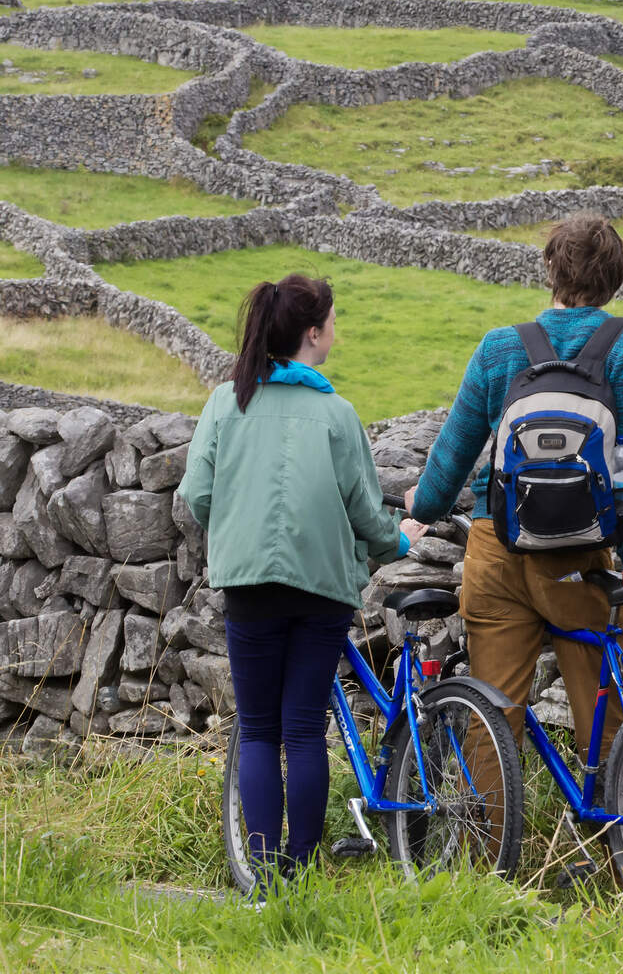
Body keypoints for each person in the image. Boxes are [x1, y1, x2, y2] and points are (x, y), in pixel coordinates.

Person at [406, 213, 623, 871]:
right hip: (581, 562)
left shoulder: (502, 346)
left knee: (492, 718)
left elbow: (457, 447)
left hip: (497, 550)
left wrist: (420, 513)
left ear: (549, 270)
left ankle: (485, 869)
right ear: (614, 279)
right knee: (602, 716)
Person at [178, 273, 426, 893]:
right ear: (312, 333)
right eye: (334, 323)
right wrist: (401, 540)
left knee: (258, 727)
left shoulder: (223, 402)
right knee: (303, 728)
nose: (337, 332)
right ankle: (303, 866)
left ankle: (262, 879)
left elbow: (197, 495)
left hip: (248, 586)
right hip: (320, 591)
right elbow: (368, 514)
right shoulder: (337, 415)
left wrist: (234, 529)